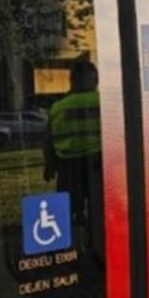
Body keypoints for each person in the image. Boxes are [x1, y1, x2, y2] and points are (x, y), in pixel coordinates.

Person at [44, 59, 103, 259]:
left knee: (68, 211)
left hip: (68, 167)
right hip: (98, 165)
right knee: (98, 210)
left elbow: (48, 140)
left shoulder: (58, 107)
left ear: (72, 81)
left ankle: (68, 251)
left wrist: (49, 167)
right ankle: (97, 246)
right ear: (95, 80)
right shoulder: (104, 103)